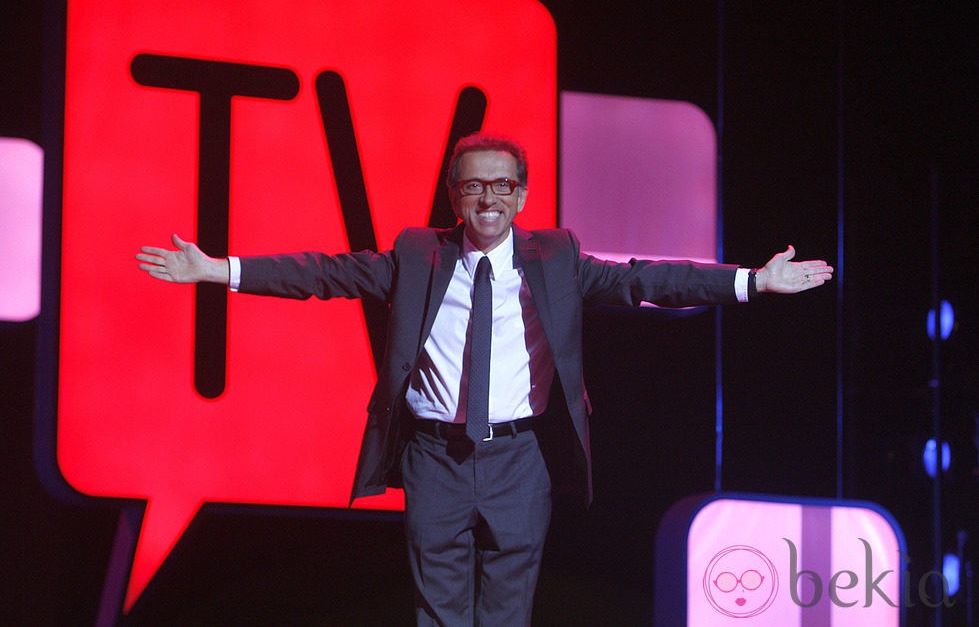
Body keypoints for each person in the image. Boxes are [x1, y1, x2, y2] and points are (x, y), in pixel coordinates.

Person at [136, 132, 833, 625]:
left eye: (502, 184)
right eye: (474, 185)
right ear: (455, 195)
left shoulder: (557, 257)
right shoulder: (418, 254)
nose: (488, 198)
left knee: (505, 606)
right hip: (435, 455)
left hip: (520, 458)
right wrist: (218, 269)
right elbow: (323, 272)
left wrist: (751, 281)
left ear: (521, 193)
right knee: (438, 607)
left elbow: (645, 280)